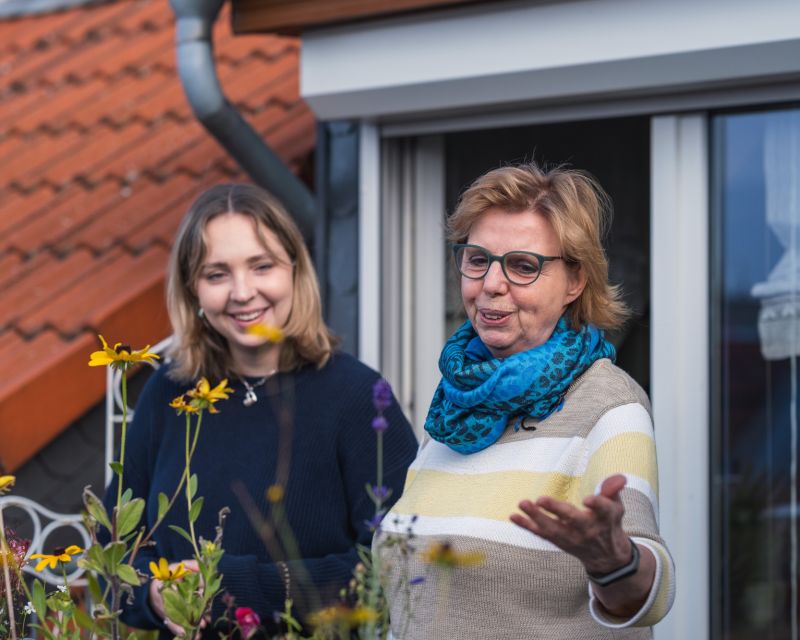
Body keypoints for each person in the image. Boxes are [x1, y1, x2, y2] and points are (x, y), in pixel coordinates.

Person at [103, 183, 418, 638]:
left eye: (262, 266)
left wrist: (237, 587)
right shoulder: (167, 396)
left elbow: (398, 565)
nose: (242, 292)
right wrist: (153, 594)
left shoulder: (357, 397)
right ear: (193, 289)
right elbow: (111, 551)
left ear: (295, 270)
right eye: (216, 274)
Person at [377, 163, 675, 638]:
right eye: (478, 260)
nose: (492, 283)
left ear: (575, 281)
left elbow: (650, 591)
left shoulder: (609, 404)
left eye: (522, 265)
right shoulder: (454, 407)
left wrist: (614, 562)